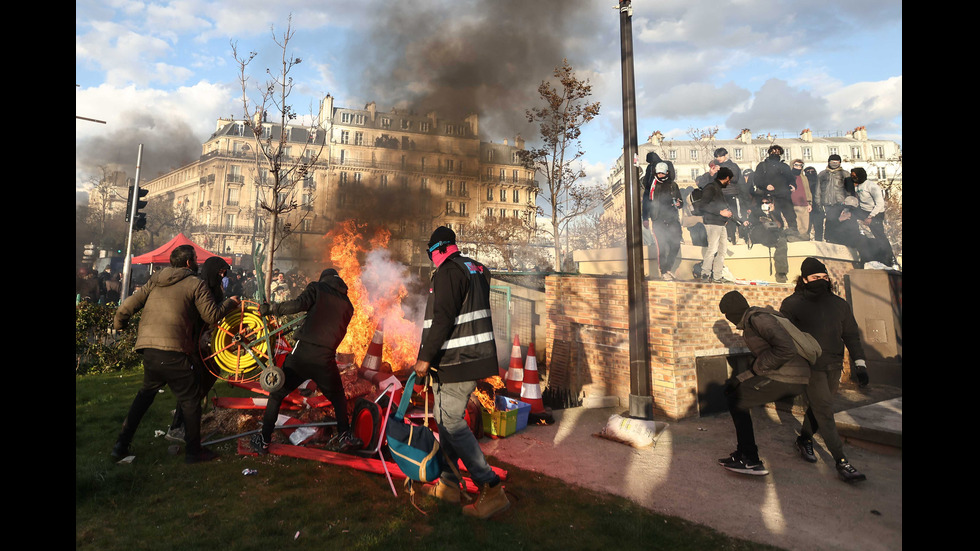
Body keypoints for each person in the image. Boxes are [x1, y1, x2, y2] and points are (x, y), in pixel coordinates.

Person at [413, 226, 510, 519]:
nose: (431, 261)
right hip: (469, 358)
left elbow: (443, 318)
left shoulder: (448, 271)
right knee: (444, 421)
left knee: (452, 421)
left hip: (458, 360)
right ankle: (449, 484)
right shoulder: (476, 269)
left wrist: (424, 359)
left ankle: (490, 486)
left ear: (441, 249)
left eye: (431, 254)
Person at [111, 244, 239, 463]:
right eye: (196, 259)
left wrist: (119, 324)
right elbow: (211, 315)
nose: (197, 263)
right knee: (191, 400)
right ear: (189, 262)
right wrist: (230, 303)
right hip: (175, 351)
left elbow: (127, 307)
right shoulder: (194, 283)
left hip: (149, 349)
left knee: (144, 397)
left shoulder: (155, 280)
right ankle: (193, 451)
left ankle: (121, 445)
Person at [251, 268, 361, 454]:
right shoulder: (348, 305)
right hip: (326, 358)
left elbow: (297, 305)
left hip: (303, 353)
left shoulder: (317, 288)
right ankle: (344, 435)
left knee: (277, 394)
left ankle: (263, 440)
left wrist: (271, 309)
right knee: (338, 398)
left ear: (323, 279)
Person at [779, 258, 869, 483]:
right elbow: (784, 337)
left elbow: (851, 335)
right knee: (825, 411)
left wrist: (860, 364)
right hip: (810, 367)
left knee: (820, 407)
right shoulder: (792, 304)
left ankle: (804, 439)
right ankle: (841, 462)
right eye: (814, 277)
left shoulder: (840, 305)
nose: (820, 280)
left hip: (834, 365)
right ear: (804, 279)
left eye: (823, 277)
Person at [717, 290, 812, 476]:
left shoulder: (758, 319)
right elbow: (762, 362)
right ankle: (742, 453)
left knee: (738, 401)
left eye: (727, 314)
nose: (728, 319)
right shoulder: (752, 321)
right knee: (733, 396)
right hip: (783, 374)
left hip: (791, 377)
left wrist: (749, 374)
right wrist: (740, 379)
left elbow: (786, 349)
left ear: (733, 311)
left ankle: (751, 460)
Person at [166, 256, 230, 443]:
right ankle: (178, 427)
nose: (223, 275)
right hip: (194, 343)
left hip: (207, 343)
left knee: (208, 377)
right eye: (220, 272)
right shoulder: (201, 286)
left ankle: (188, 423)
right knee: (192, 387)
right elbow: (207, 315)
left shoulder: (216, 288)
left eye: (224, 272)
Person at [642, 162, 683, 280]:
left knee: (675, 245)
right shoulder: (652, 186)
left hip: (672, 219)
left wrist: (679, 203)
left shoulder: (673, 185)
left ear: (667, 173)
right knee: (662, 246)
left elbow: (680, 201)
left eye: (662, 173)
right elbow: (646, 203)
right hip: (658, 219)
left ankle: (668, 268)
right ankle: (664, 271)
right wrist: (645, 218)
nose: (660, 175)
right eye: (658, 173)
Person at [850, 168, 898, 267]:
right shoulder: (857, 186)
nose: (853, 178)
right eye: (852, 176)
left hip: (876, 213)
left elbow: (880, 204)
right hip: (863, 211)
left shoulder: (872, 186)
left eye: (855, 176)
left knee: (879, 235)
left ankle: (890, 258)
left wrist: (871, 216)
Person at [699, 166, 738, 283]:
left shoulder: (718, 189)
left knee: (722, 250)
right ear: (726, 178)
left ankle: (717, 276)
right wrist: (720, 212)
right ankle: (705, 274)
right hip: (712, 223)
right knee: (712, 249)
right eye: (729, 179)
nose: (729, 182)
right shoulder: (710, 188)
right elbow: (703, 205)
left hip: (721, 224)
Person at [753, 145, 797, 235]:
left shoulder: (784, 166)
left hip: (784, 196)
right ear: (769, 153)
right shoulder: (762, 166)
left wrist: (793, 185)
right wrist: (765, 185)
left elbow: (791, 178)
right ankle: (776, 237)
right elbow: (757, 180)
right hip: (769, 196)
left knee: (791, 218)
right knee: (774, 219)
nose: (775, 153)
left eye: (778, 152)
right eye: (773, 151)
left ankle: (793, 234)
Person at [744, 197, 789, 283]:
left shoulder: (775, 212)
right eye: (763, 202)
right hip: (760, 234)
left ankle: (781, 273)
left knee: (782, 242)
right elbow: (751, 225)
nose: (764, 204)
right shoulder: (756, 212)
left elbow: (779, 225)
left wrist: (771, 213)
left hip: (773, 236)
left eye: (767, 202)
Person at [814, 154, 850, 242]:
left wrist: (848, 204)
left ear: (840, 162)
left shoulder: (845, 174)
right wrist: (818, 203)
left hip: (841, 203)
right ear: (828, 162)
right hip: (827, 203)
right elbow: (817, 190)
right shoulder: (822, 174)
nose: (834, 163)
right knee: (830, 221)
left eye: (836, 162)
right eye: (832, 161)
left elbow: (849, 190)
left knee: (841, 222)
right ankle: (829, 239)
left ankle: (840, 240)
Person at [714, 148, 743, 244]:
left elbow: (735, 178)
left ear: (725, 155)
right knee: (722, 215)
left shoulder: (732, 165)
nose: (718, 158)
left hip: (731, 193)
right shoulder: (716, 165)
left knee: (733, 214)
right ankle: (726, 236)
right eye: (717, 156)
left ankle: (734, 235)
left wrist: (721, 172)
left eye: (720, 156)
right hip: (720, 194)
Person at [789, 159, 813, 239]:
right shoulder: (788, 177)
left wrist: (809, 203)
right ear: (792, 165)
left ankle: (803, 239)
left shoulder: (804, 178)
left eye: (800, 166)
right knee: (794, 224)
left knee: (804, 225)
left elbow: (807, 190)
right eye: (796, 165)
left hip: (803, 204)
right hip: (791, 204)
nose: (798, 167)